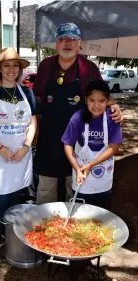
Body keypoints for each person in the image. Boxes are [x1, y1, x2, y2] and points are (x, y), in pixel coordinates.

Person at [33, 22, 123, 204]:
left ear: (79, 42)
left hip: (78, 142)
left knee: (73, 188)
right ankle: (42, 228)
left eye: (72, 39)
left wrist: (115, 106)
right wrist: (33, 133)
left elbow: (102, 96)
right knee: (45, 189)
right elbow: (36, 101)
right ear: (56, 44)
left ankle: (69, 226)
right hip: (48, 140)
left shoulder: (89, 68)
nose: (67, 43)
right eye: (62, 39)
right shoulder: (46, 66)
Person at [0, 47, 38, 254]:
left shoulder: (27, 92)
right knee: (1, 196)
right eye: (7, 65)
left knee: (16, 195)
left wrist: (25, 147)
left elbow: (32, 123)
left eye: (15, 65)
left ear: (20, 69)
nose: (11, 69)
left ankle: (11, 231)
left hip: (21, 152)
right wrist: (1, 148)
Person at [61, 79, 122, 209]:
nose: (96, 106)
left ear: (107, 101)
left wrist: (91, 165)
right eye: (92, 100)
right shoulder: (78, 117)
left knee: (101, 212)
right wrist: (77, 168)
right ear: (86, 99)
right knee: (80, 212)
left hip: (103, 174)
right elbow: (67, 144)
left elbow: (114, 147)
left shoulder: (112, 118)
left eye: (101, 101)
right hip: (81, 171)